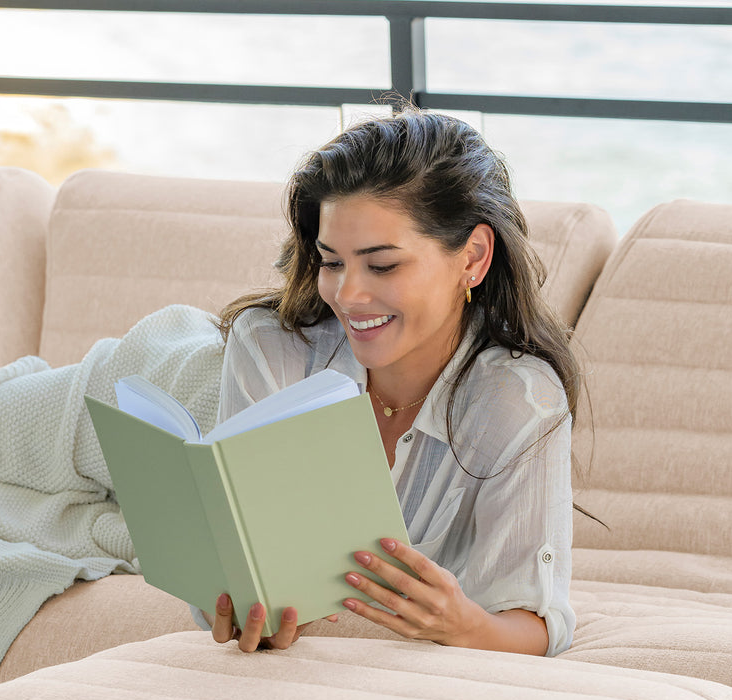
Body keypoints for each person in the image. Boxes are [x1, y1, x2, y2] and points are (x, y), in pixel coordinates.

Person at [206, 108, 583, 656]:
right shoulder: (270, 346)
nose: (348, 294)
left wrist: (461, 624)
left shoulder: (516, 401)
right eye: (330, 261)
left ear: (473, 258)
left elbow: (539, 622)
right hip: (182, 367)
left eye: (382, 266)